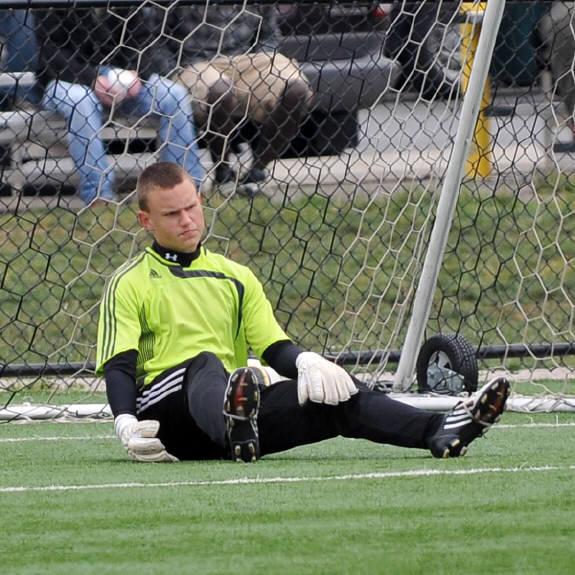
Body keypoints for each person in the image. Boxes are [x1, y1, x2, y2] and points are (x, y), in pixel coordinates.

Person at [96, 161, 510, 464]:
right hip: (165, 423)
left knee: (335, 396)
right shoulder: (129, 281)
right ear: (146, 221)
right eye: (171, 214)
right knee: (205, 363)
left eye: (191, 207)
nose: (187, 220)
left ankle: (438, 431)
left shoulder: (236, 276)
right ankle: (233, 426)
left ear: (201, 200)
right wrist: (126, 423)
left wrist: (309, 362)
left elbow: (273, 347)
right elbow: (120, 367)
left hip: (240, 423)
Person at [34, 6, 203, 206]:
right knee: (81, 102)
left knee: (174, 96)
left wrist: (136, 73)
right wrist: (91, 79)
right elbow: (51, 54)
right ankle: (99, 196)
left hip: (119, 76)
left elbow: (142, 40)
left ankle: (186, 188)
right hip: (66, 79)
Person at [163, 3, 312, 194]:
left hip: (246, 60)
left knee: (295, 90)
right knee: (220, 91)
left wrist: (260, 60)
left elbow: (268, 34)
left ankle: (257, 172)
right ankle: (223, 173)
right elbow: (154, 36)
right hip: (194, 62)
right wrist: (168, 75)